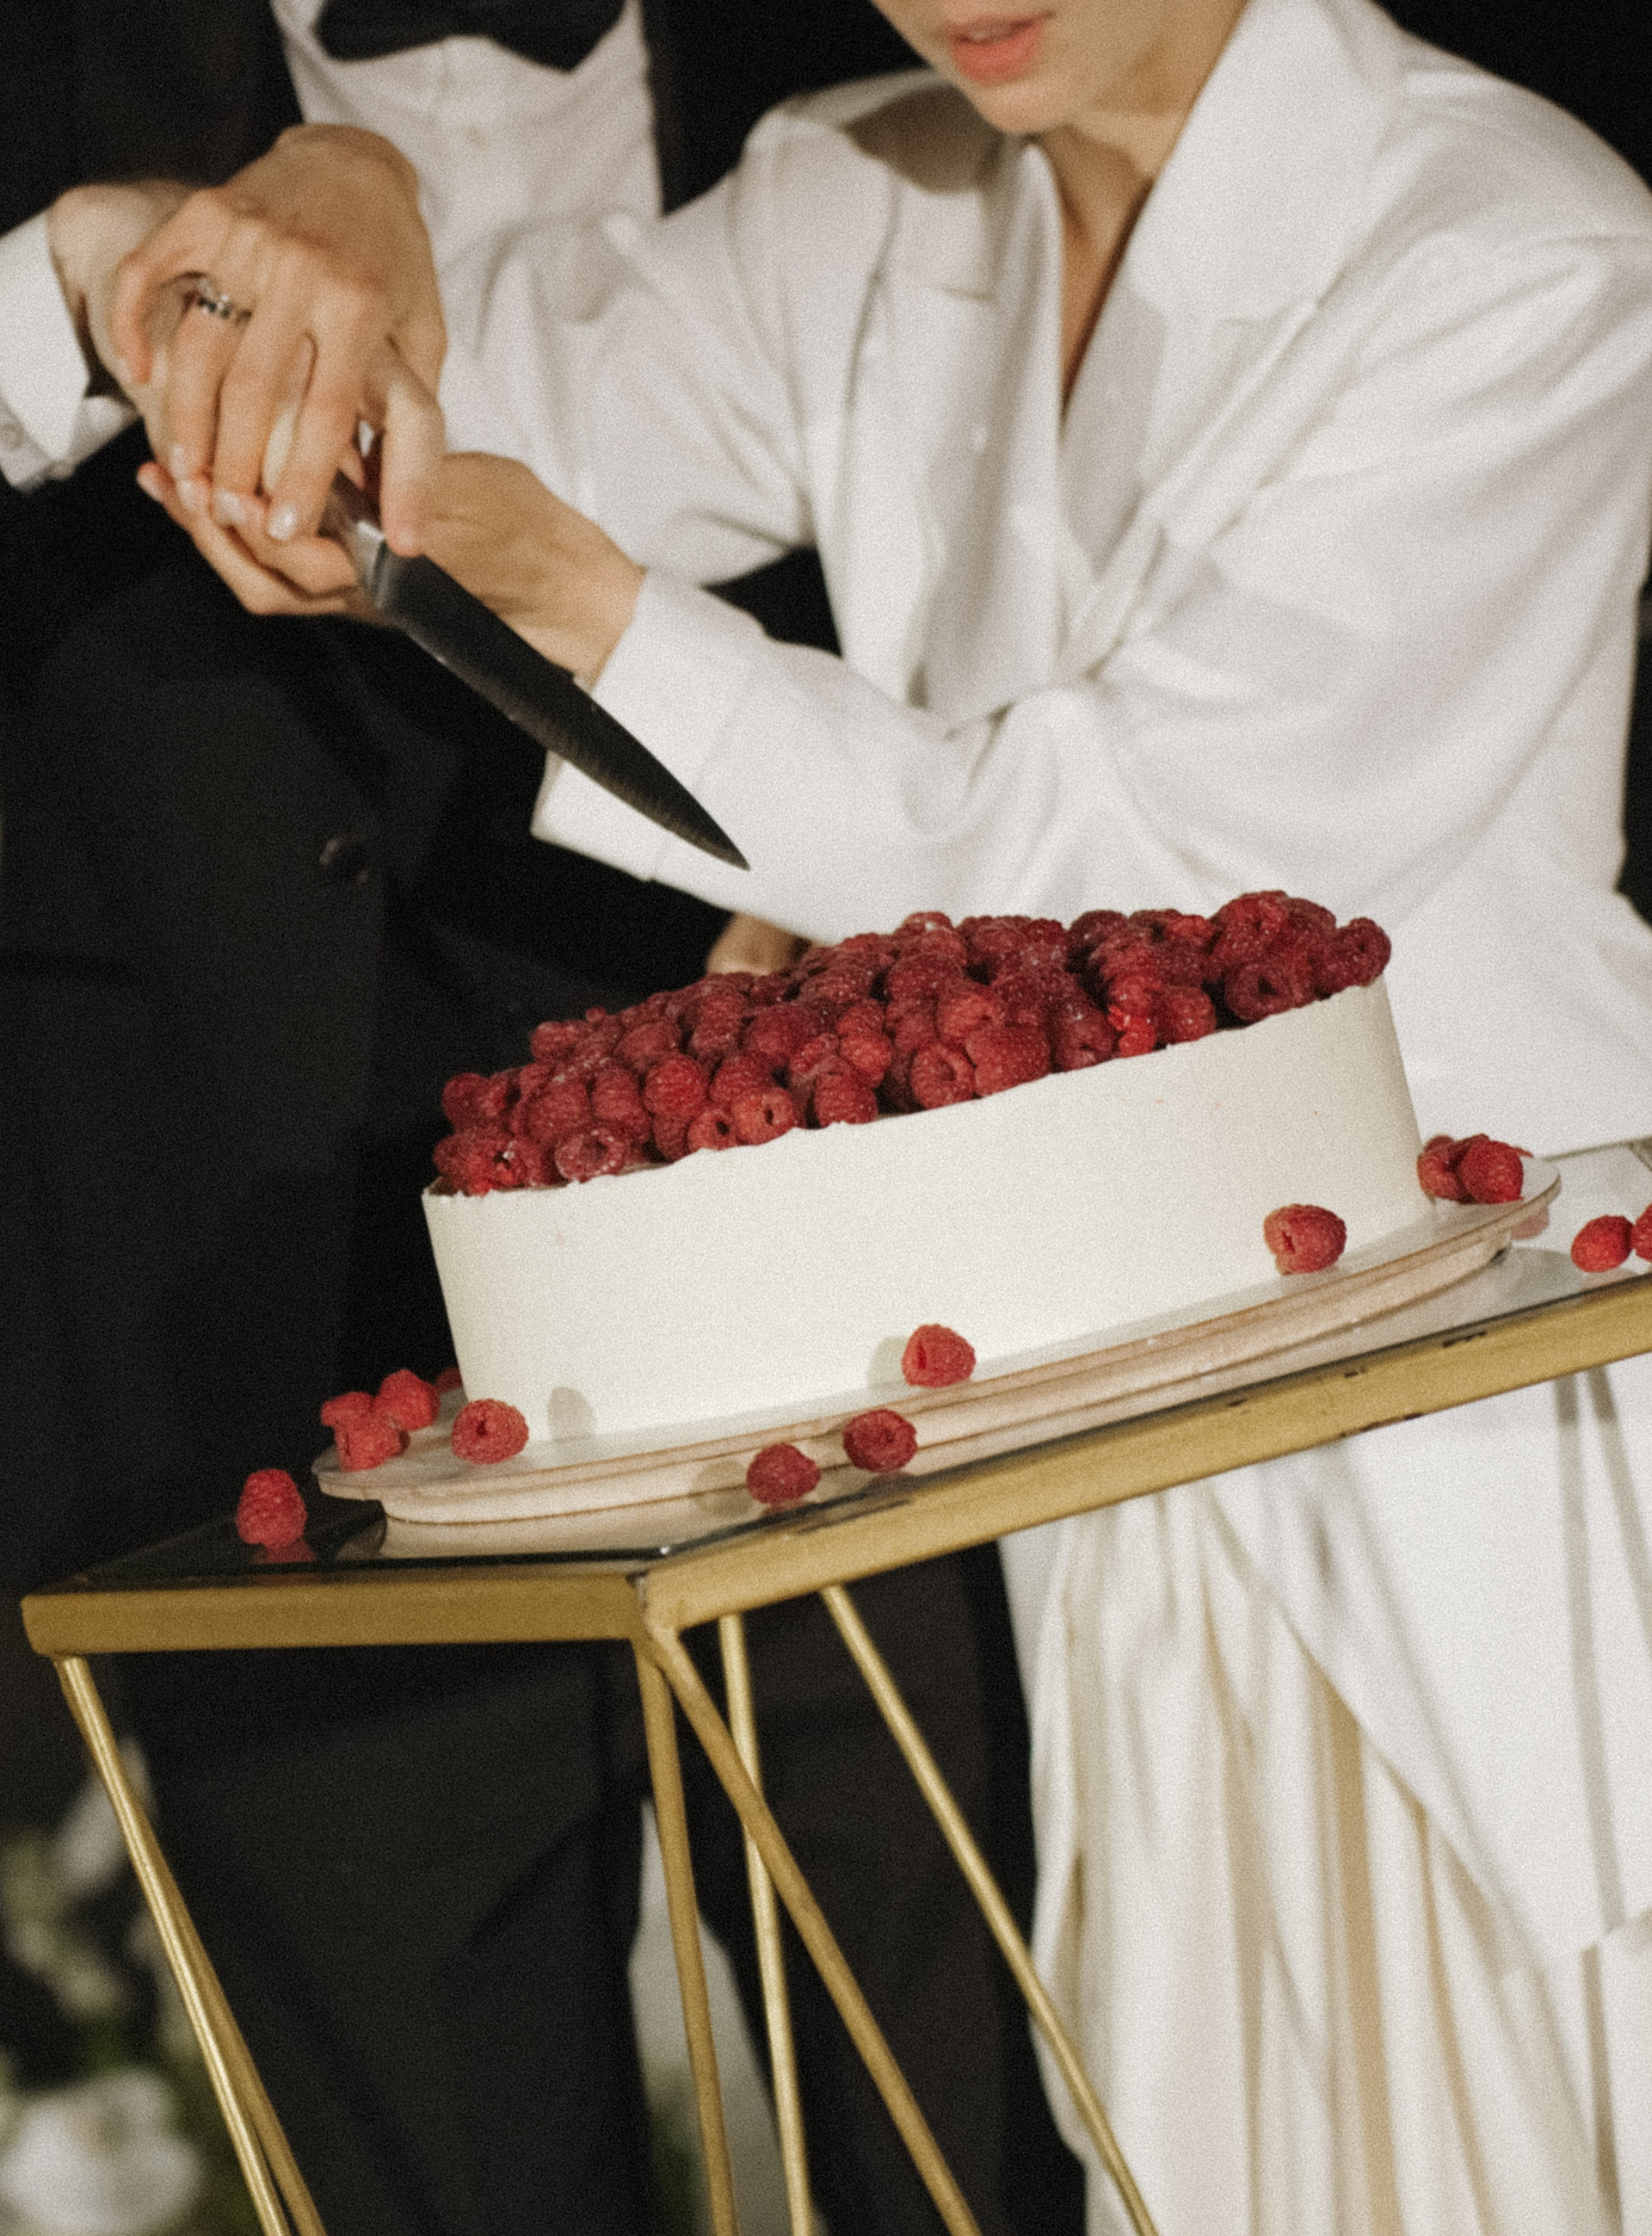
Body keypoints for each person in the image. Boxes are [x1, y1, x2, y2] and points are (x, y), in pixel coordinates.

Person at [119, 0, 1652, 2225]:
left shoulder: (1518, 249)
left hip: (1491, 1391)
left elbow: (1178, 880)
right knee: (1221, 2149)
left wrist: (596, 618)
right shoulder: (874, 187)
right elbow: (450, 394)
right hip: (1119, 1444)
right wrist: (265, 269)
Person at [2, 8, 1087, 2234]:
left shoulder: (919, 38)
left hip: (841, 1251)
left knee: (970, 2112)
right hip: (248, 1290)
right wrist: (90, 271)